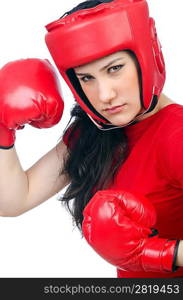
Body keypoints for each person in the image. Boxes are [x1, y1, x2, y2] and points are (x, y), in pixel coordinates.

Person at [0, 0, 183, 278]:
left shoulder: (175, 136)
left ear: (147, 56)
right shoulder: (95, 132)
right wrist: (2, 127)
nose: (105, 95)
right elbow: (14, 201)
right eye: (86, 78)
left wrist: (163, 254)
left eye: (114, 69)